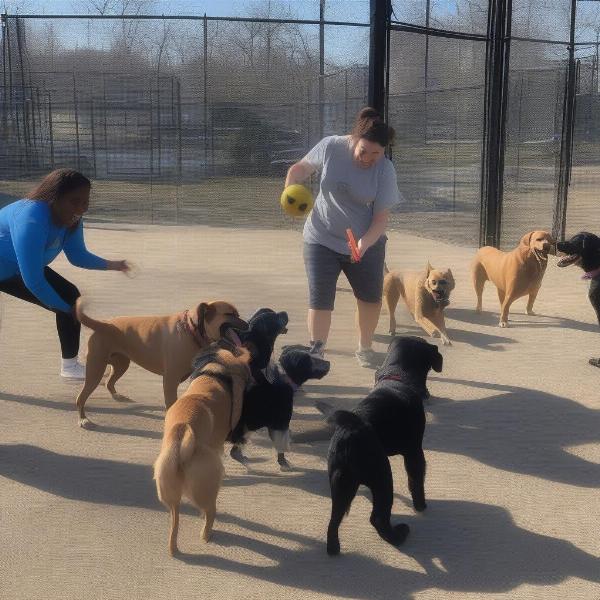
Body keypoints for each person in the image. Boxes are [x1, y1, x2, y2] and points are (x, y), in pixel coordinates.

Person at [285, 107, 401, 367]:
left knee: (370, 297)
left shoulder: (385, 170)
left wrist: (363, 243)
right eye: (364, 151)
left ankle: (365, 347)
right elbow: (299, 169)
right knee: (320, 297)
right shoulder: (331, 147)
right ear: (354, 140)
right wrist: (290, 190)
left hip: (364, 242)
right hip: (321, 237)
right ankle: (316, 352)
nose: (368, 158)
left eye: (376, 153)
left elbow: (381, 218)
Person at [0, 169, 130, 380]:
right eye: (74, 201)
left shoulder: (71, 217)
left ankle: (70, 367)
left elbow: (77, 255)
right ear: (54, 198)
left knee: (71, 296)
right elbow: (34, 281)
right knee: (68, 305)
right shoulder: (31, 220)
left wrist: (114, 265)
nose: (80, 208)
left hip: (14, 267)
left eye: (85, 202)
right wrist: (68, 311)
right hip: (10, 268)